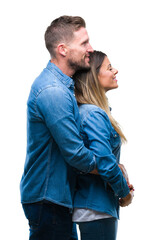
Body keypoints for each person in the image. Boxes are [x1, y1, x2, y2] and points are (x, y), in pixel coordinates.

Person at [20, 15, 96, 240]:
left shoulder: (62, 86)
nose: (90, 48)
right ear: (62, 49)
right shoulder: (53, 91)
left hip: (56, 200)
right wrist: (113, 172)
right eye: (83, 43)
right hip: (48, 201)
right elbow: (76, 154)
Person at [72, 50, 134, 240]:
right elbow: (105, 163)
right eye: (109, 67)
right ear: (94, 76)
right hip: (96, 209)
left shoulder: (90, 112)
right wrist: (124, 194)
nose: (115, 71)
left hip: (93, 207)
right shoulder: (94, 114)